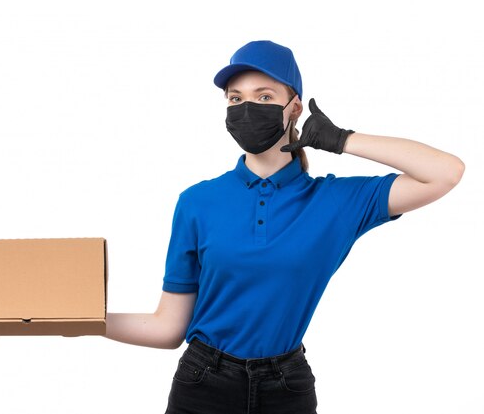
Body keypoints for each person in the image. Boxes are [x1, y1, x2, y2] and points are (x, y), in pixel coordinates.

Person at [103, 40, 465, 413]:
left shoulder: (337, 201)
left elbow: (445, 173)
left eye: (263, 97)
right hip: (202, 382)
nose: (246, 108)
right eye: (234, 98)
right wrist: (84, 321)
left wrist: (342, 140)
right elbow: (168, 328)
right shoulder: (197, 202)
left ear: (294, 108)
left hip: (286, 388)